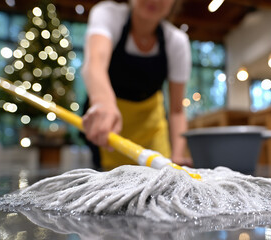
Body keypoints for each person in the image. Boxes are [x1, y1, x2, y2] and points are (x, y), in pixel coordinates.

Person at [81, 0, 192, 170]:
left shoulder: (177, 42)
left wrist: (177, 155)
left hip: (152, 133)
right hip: (110, 133)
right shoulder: (108, 14)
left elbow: (177, 110)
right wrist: (103, 101)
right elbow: (94, 64)